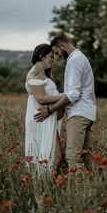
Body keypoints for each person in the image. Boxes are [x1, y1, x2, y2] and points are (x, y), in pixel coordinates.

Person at [34, 36, 97, 171]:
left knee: (72, 157)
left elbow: (73, 94)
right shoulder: (80, 57)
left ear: (62, 46)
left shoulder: (74, 61)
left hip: (79, 114)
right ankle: (97, 187)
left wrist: (51, 110)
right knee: (87, 157)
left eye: (56, 53)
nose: (56, 57)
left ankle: (81, 190)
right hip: (87, 113)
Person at [24, 44, 67, 172]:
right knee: (53, 155)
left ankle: (47, 184)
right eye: (50, 57)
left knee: (53, 155)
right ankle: (44, 184)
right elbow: (41, 98)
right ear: (41, 57)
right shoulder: (34, 74)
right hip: (41, 118)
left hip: (48, 117)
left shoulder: (44, 73)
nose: (53, 60)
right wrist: (66, 96)